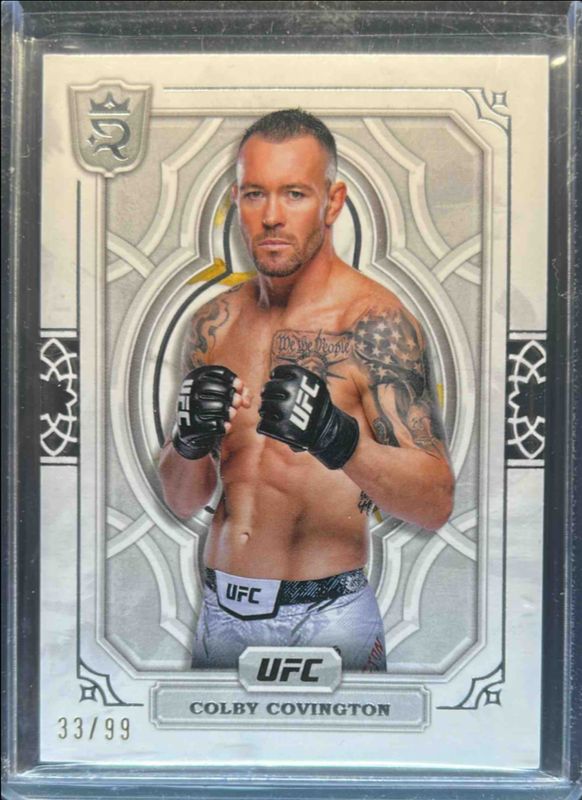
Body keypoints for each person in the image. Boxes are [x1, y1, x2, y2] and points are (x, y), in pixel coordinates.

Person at [159, 109, 454, 671]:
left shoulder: (375, 324)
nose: (271, 216)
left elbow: (435, 503)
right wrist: (189, 441)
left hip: (328, 615)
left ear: (333, 202)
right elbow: (182, 500)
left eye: (294, 193)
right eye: (255, 194)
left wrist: (338, 440)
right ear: (236, 200)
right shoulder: (213, 324)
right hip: (220, 611)